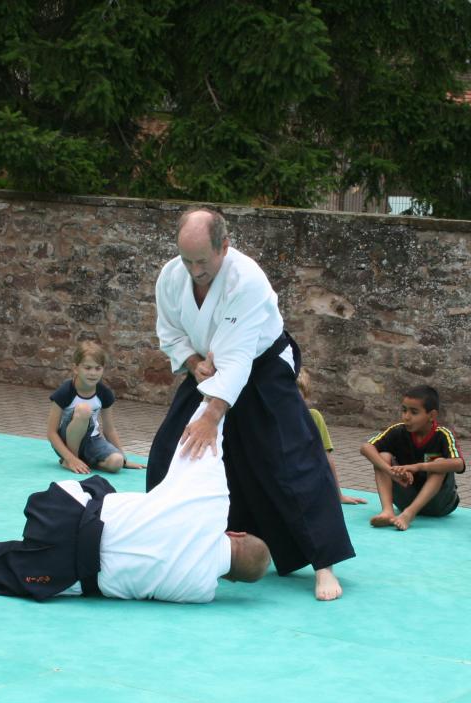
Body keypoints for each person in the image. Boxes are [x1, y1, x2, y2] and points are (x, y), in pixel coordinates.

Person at [0, 403, 270, 603]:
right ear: (229, 581)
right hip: (62, 571)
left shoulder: (209, 505)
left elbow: (203, 434)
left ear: (236, 531)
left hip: (63, 507)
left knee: (107, 492)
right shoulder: (199, 592)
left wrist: (219, 397)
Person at [146, 206, 354, 601]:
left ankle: (323, 564)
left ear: (224, 246)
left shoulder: (247, 280)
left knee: (288, 459)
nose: (194, 270)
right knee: (169, 452)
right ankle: (174, 550)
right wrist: (193, 364)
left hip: (260, 366)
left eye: (202, 261)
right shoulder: (173, 276)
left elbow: (238, 359)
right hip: (207, 368)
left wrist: (211, 415)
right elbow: (169, 332)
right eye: (186, 260)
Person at [360, 385, 464, 531]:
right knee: (382, 456)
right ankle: (387, 511)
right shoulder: (398, 431)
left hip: (440, 504)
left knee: (439, 462)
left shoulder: (443, 434)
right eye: (404, 410)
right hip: (406, 498)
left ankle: (409, 514)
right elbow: (366, 448)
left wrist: (419, 466)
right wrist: (390, 471)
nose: (406, 417)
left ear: (432, 415)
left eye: (414, 412)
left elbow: (459, 464)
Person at [46, 340, 144, 475]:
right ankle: (72, 461)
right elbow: (51, 433)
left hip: (92, 441)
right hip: (67, 443)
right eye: (87, 368)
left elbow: (109, 430)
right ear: (76, 368)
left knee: (116, 462)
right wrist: (70, 458)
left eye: (98, 368)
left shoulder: (104, 393)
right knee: (84, 410)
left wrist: (124, 459)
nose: (93, 373)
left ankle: (85, 462)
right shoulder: (65, 391)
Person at [297, 368, 367, 506]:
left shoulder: (314, 417)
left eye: (298, 397)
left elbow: (327, 458)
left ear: (306, 397)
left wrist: (338, 495)